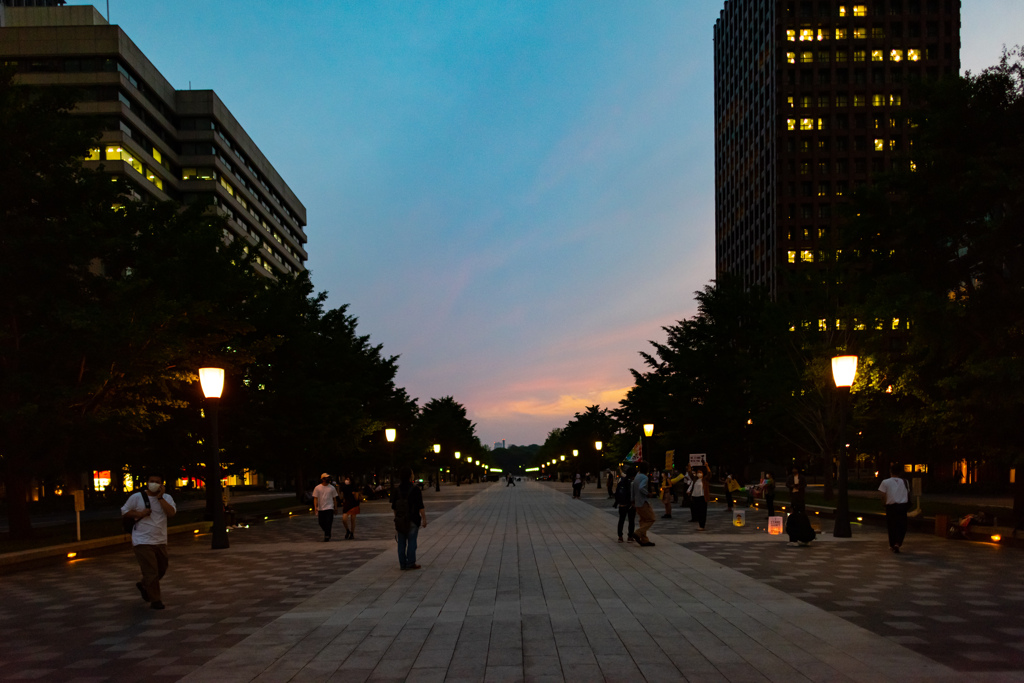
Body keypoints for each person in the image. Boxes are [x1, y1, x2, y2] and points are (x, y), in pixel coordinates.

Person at [121, 473, 177, 610]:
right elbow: (124, 511)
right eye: (151, 481)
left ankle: (144, 584)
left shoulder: (167, 498)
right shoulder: (136, 497)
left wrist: (160, 498)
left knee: (161, 568)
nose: (154, 484)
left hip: (160, 539)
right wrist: (139, 514)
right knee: (151, 570)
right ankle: (155, 600)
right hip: (142, 540)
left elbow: (171, 513)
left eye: (157, 482)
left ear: (161, 484)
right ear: (147, 482)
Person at [392, 466, 426, 570]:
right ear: (410, 475)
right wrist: (424, 519)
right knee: (412, 541)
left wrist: (397, 518)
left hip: (400, 519)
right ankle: (411, 562)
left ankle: (402, 564)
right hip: (413, 519)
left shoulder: (396, 490)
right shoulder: (415, 489)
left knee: (401, 543)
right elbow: (420, 506)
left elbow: (394, 507)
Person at [878, 465, 910, 553]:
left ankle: (892, 544)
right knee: (902, 525)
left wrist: (884, 503)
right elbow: (907, 493)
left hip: (891, 506)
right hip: (902, 506)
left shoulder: (885, 482)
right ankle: (898, 542)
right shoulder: (905, 482)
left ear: (890, 471)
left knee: (892, 525)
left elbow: (883, 495)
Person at [632, 462, 656, 546]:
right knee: (651, 518)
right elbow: (641, 487)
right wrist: (647, 493)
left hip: (637, 502)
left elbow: (633, 487)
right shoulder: (645, 477)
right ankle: (638, 533)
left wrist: (632, 499)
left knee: (643, 520)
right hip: (643, 502)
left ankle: (644, 539)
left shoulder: (637, 476)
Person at [312, 473, 339, 542]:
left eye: (328, 478)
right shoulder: (317, 488)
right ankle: (327, 532)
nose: (327, 479)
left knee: (328, 522)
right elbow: (315, 498)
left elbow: (334, 499)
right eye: (325, 478)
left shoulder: (332, 488)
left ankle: (326, 535)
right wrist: (315, 507)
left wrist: (335, 508)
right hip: (321, 508)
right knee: (321, 522)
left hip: (329, 507)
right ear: (322, 479)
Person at [614, 467, 636, 542]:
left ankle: (620, 536)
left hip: (622, 503)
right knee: (631, 520)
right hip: (630, 503)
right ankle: (630, 536)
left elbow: (617, 492)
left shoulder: (621, 481)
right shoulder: (632, 482)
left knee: (621, 519)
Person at [688, 467, 710, 531]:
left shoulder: (705, 480)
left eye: (700, 472)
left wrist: (707, 467)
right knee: (697, 510)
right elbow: (690, 475)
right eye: (698, 473)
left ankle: (702, 525)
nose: (699, 474)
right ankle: (699, 522)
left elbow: (709, 474)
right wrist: (689, 468)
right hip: (695, 496)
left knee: (702, 511)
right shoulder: (695, 479)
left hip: (702, 497)